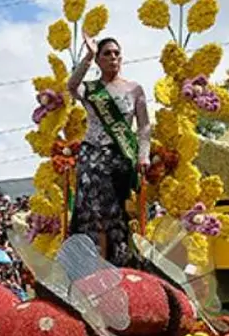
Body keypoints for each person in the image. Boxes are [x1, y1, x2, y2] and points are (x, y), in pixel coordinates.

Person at [65, 34, 151, 266]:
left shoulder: (135, 89)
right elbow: (71, 86)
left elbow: (143, 126)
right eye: (106, 54)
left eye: (116, 53)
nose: (113, 57)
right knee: (91, 211)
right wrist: (88, 57)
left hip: (119, 157)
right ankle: (89, 263)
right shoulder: (91, 89)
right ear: (99, 60)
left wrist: (143, 154)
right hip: (91, 156)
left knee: (114, 212)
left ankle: (118, 263)